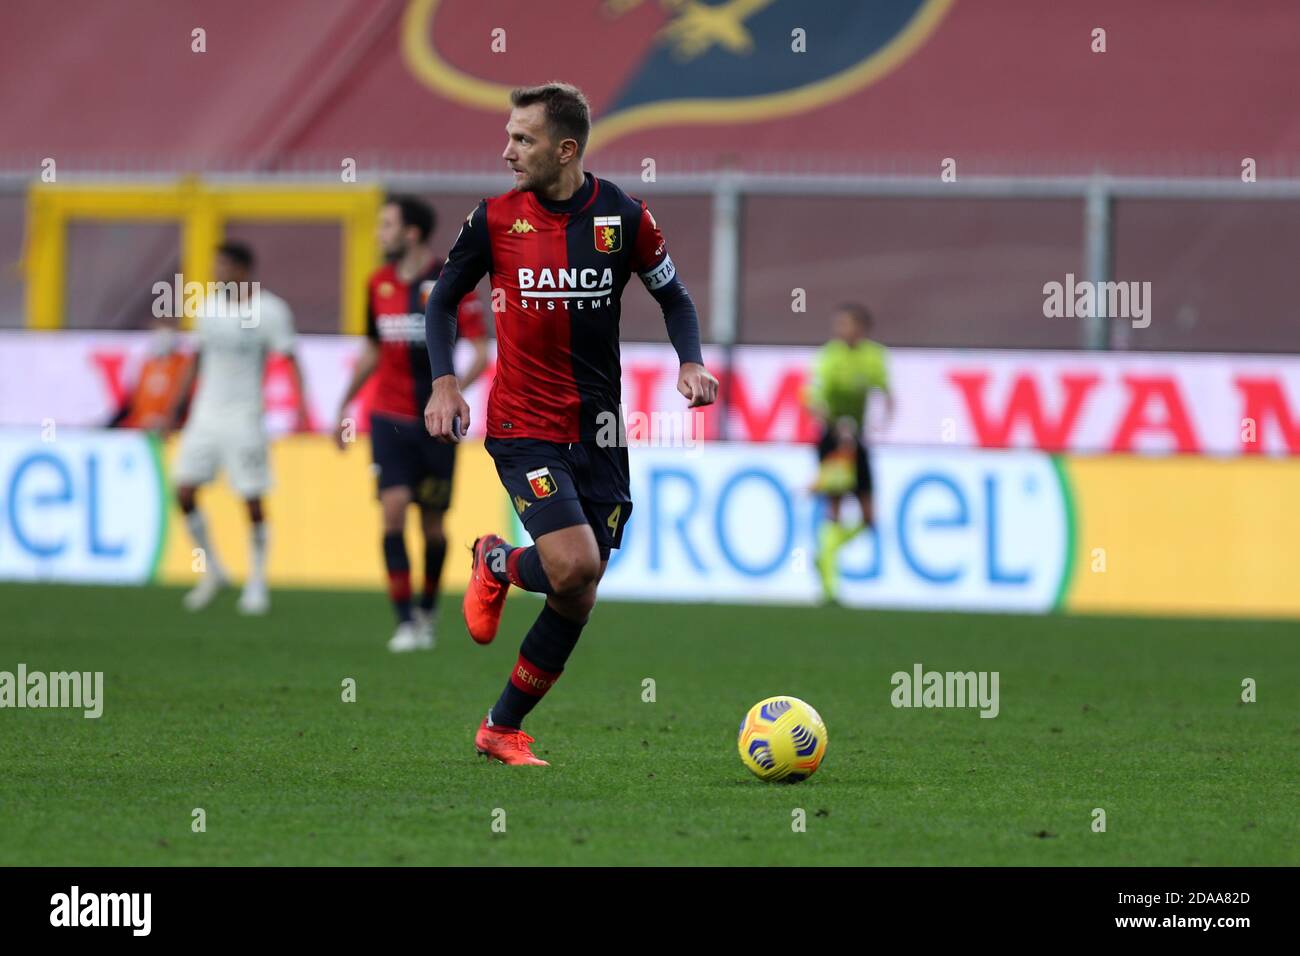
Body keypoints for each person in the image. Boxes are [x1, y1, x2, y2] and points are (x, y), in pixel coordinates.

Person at [423, 81, 718, 766]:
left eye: (521, 139)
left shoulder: (625, 216)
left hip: (601, 433)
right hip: (524, 424)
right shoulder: (494, 219)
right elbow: (441, 303)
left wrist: (691, 363)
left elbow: (673, 295)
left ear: (565, 149)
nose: (507, 151)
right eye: (508, 135)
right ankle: (496, 562)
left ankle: (501, 726)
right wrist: (444, 383)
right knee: (574, 563)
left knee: (578, 593)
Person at [334, 196, 488, 652]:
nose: (379, 233)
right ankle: (404, 621)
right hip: (388, 418)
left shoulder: (450, 281)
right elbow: (372, 350)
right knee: (393, 510)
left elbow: (481, 351)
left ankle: (427, 609)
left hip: (437, 423)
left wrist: (452, 392)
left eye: (386, 225)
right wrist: (343, 404)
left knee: (434, 526)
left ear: (412, 233)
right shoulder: (376, 284)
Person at [168, 241, 310, 615]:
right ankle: (213, 570)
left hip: (245, 417)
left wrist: (301, 409)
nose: (217, 274)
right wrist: (176, 407)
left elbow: (291, 359)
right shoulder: (207, 307)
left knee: (251, 499)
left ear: (243, 270)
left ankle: (257, 580)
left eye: (224, 267)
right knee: (183, 492)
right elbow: (196, 359)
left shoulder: (270, 310)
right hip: (204, 417)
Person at [804, 303, 893, 604]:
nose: (842, 331)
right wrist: (834, 424)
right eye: (839, 325)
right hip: (833, 438)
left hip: (857, 438)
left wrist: (882, 422)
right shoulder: (830, 356)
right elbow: (814, 398)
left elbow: (886, 393)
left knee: (869, 518)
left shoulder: (874, 357)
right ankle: (830, 586)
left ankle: (827, 551)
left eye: (848, 325)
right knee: (836, 506)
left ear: (862, 329)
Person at [108, 313, 193, 431]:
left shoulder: (184, 365)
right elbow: (133, 402)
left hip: (169, 430)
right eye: (158, 331)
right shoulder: (147, 365)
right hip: (139, 429)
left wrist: (170, 421)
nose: (162, 337)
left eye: (167, 332)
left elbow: (186, 402)